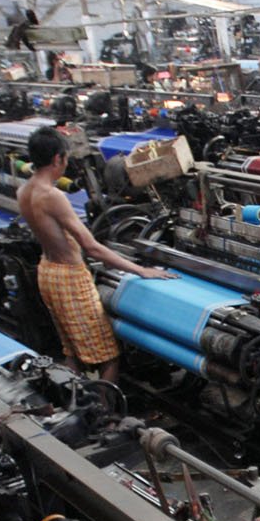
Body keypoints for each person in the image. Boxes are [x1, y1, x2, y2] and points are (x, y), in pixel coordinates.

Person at [18, 125, 173, 383]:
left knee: (71, 350)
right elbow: (91, 247)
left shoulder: (24, 191)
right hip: (70, 278)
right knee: (108, 356)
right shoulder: (52, 195)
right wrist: (141, 270)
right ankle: (104, 417)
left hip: (47, 272)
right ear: (58, 158)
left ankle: (75, 403)